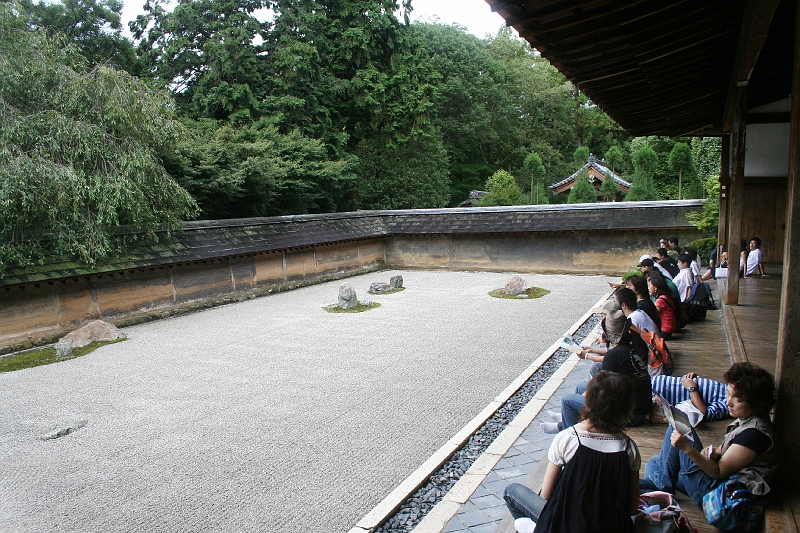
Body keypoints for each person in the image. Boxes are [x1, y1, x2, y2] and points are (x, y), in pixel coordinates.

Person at [505, 371, 640, 533]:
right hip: (612, 526)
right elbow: (632, 506)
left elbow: (547, 494)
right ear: (625, 409)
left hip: (565, 523)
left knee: (511, 492)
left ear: (588, 401)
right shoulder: (628, 447)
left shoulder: (567, 439)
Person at [641, 363, 776, 506]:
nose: (728, 402)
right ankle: (662, 483)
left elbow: (718, 472)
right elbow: (725, 452)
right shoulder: (748, 419)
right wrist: (714, 452)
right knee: (655, 462)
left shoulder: (753, 434)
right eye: (728, 394)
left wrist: (688, 449)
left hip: (716, 493)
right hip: (713, 482)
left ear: (756, 403)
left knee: (680, 427)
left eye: (738, 399)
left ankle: (662, 487)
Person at [542, 310, 652, 433]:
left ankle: (567, 432)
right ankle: (566, 420)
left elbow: (598, 389)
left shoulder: (614, 356)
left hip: (628, 415)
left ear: (606, 335)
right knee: (580, 387)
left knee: (567, 400)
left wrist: (583, 396)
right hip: (637, 408)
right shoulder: (629, 349)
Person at [651, 372, 730, 423]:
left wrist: (692, 389)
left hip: (657, 394)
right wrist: (692, 379)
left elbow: (703, 414)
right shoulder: (727, 388)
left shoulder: (728, 404)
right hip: (654, 381)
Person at [647, 273, 677, 339]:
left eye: (649, 286)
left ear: (655, 288)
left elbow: (653, 315)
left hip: (665, 331)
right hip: (669, 330)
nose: (648, 288)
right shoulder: (665, 296)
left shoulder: (660, 300)